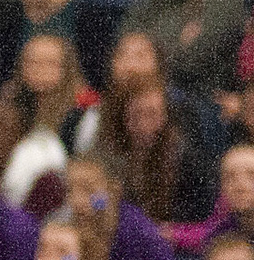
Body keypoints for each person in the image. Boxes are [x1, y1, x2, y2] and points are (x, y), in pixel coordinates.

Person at [65, 153, 178, 260]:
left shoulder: (140, 234)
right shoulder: (65, 227)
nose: (77, 200)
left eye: (88, 190)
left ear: (114, 189)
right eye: (70, 190)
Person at [0, 34, 93, 211]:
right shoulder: (9, 104)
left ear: (67, 67)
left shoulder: (84, 110)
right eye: (32, 62)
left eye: (50, 63)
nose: (39, 69)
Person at [93, 79, 218, 226]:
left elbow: (200, 214)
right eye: (137, 113)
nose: (143, 123)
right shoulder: (109, 156)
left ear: (166, 116)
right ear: (125, 116)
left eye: (152, 113)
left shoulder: (187, 161)